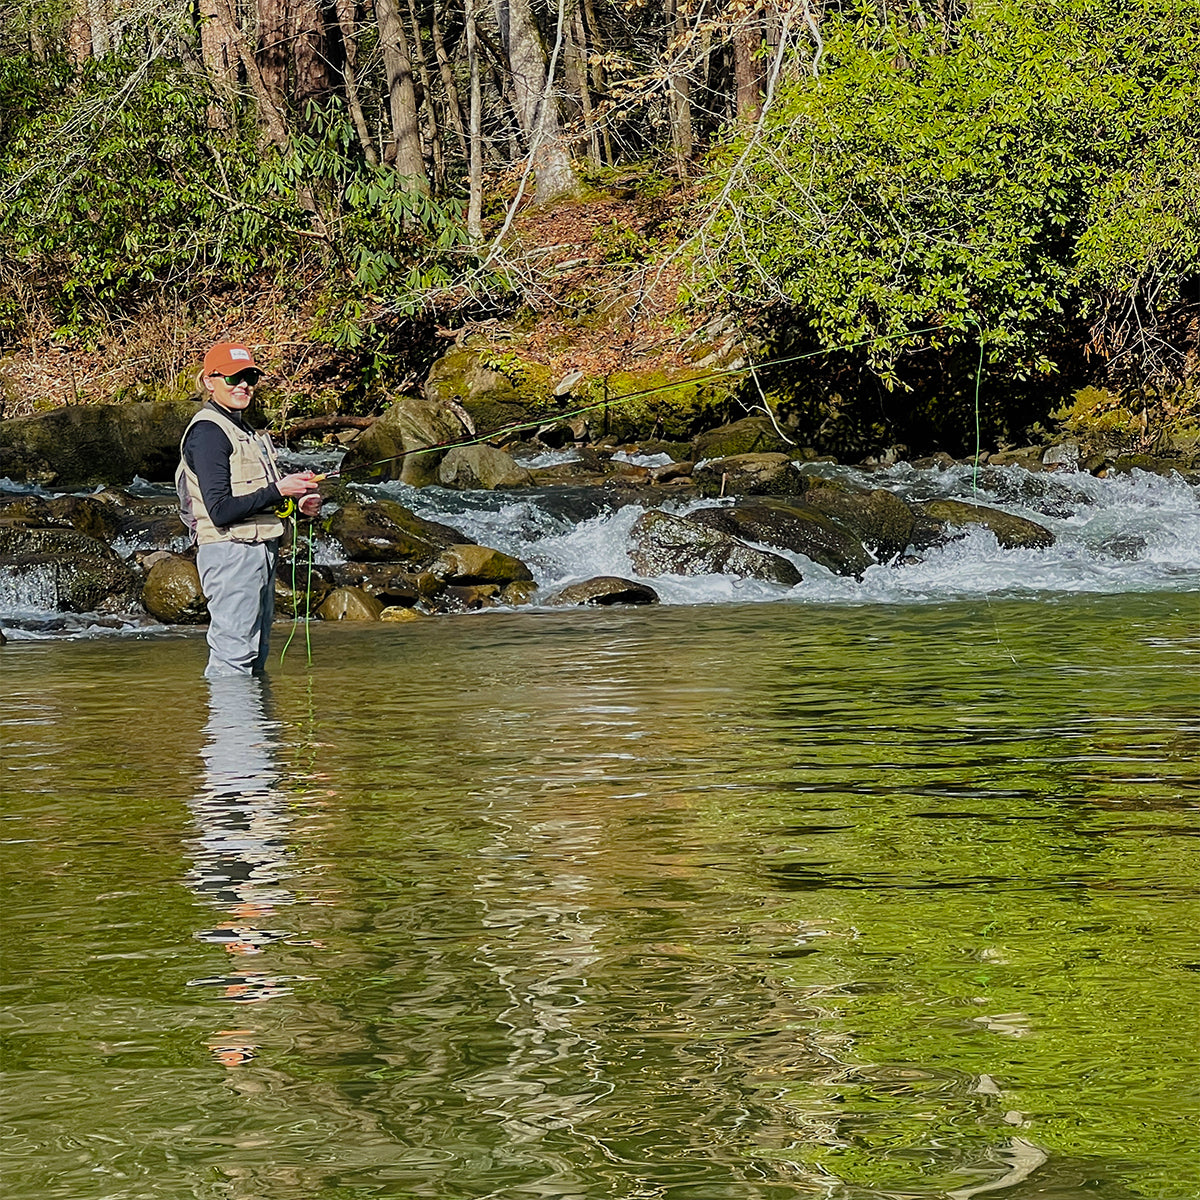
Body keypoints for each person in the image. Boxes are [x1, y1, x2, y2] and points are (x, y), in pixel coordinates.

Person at [176, 342, 320, 677]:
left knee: (255, 656)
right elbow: (221, 510)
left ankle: (253, 730)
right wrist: (278, 489)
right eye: (233, 377)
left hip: (258, 550)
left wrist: (298, 504)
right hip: (230, 552)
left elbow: (262, 497)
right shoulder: (209, 432)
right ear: (209, 381)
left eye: (250, 377)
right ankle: (231, 729)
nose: (243, 385)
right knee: (234, 657)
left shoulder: (246, 431)